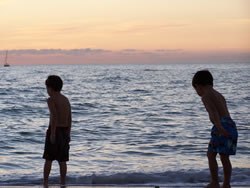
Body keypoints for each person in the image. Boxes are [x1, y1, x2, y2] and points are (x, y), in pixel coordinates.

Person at [192, 70, 238, 188]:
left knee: (211, 154)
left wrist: (219, 127)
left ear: (198, 85)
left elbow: (214, 112)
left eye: (195, 89)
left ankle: (215, 182)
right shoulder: (219, 94)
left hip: (221, 125)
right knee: (224, 157)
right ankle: (226, 184)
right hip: (231, 124)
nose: (197, 92)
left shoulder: (206, 96)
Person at [43, 75, 72, 186]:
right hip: (65, 131)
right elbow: (70, 117)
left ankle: (45, 183)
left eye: (47, 88)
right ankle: (63, 183)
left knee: (48, 159)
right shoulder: (65, 99)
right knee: (62, 161)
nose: (47, 91)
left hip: (55, 130)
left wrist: (53, 133)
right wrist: (68, 133)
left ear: (50, 88)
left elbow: (54, 116)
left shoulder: (51, 100)